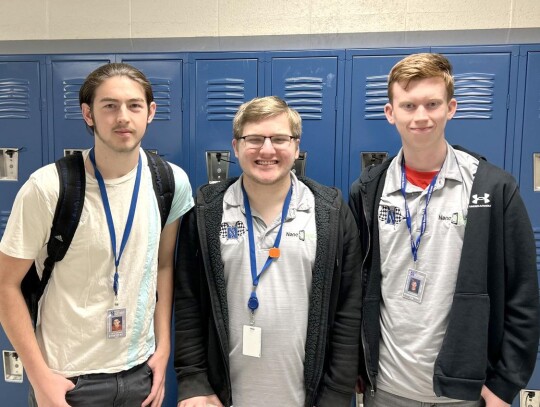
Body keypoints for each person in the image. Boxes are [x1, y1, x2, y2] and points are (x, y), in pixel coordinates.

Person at [349, 52, 539, 407]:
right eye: (408, 105)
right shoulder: (368, 192)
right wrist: (356, 366)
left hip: (464, 392)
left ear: (450, 108)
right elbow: (354, 288)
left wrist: (505, 383)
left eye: (432, 104)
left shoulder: (493, 188)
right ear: (391, 113)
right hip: (387, 388)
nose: (421, 116)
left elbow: (523, 294)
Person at [0, 63, 194, 406]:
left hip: (140, 373)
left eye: (134, 105)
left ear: (150, 112)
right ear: (88, 114)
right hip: (68, 377)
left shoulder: (170, 182)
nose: (123, 117)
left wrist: (162, 350)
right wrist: (40, 377)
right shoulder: (47, 188)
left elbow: (164, 267)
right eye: (109, 106)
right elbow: (5, 284)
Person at [174, 96, 362, 407]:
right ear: (235, 147)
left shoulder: (329, 212)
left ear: (297, 146)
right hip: (222, 399)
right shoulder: (208, 211)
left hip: (307, 398)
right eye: (254, 139)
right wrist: (193, 383)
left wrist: (337, 395)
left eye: (279, 139)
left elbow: (347, 310)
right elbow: (189, 303)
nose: (267, 150)